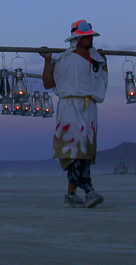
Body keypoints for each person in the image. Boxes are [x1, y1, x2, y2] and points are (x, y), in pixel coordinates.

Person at [41, 20, 108, 208]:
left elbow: (102, 82)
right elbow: (48, 83)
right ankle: (89, 190)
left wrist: (103, 63)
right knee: (75, 148)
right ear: (77, 39)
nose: (90, 40)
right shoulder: (64, 59)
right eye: (86, 37)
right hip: (70, 106)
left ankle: (71, 194)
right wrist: (47, 60)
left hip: (90, 107)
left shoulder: (96, 59)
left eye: (90, 36)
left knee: (83, 151)